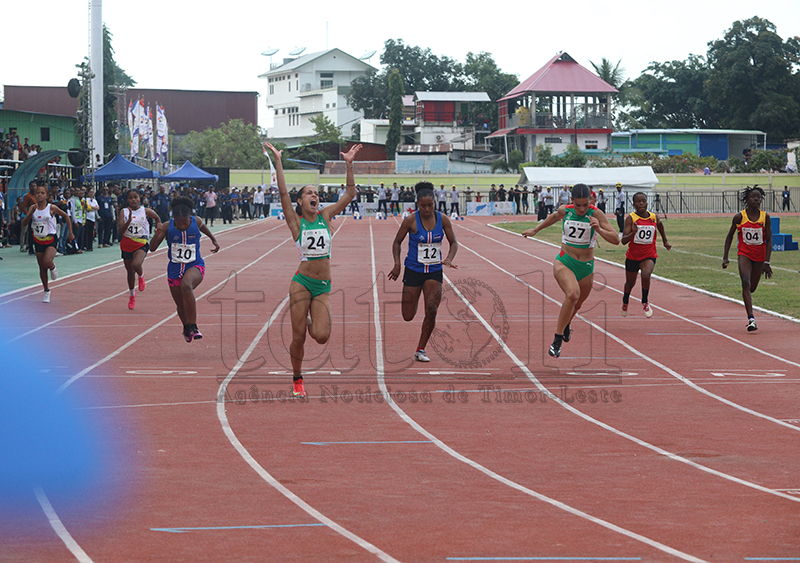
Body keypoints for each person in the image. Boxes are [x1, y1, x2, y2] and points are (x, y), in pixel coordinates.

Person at [264, 141, 362, 398]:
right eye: (309, 193)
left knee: (320, 335)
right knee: (299, 337)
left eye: (316, 192)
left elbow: (350, 195)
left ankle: (309, 318)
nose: (314, 195)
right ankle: (297, 379)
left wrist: (349, 165)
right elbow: (283, 194)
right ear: (301, 200)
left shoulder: (326, 216)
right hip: (301, 283)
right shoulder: (296, 223)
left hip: (322, 287)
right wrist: (278, 161)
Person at [522, 184, 620, 358]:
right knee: (572, 295)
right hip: (565, 261)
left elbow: (615, 240)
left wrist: (599, 229)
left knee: (578, 304)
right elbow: (553, 217)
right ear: (571, 201)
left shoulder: (596, 214)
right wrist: (535, 230)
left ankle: (566, 324)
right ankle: (557, 339)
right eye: (578, 205)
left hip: (586, 267)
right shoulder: (565, 211)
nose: (581, 209)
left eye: (585, 205)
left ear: (591, 201)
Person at [389, 182, 458, 362]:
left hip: (434, 271)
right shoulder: (411, 220)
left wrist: (449, 259)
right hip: (413, 270)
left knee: (432, 310)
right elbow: (397, 242)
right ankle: (416, 296)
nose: (427, 209)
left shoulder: (442, 219)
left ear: (435, 203)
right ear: (417, 205)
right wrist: (397, 264)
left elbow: (454, 242)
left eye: (430, 205)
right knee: (408, 316)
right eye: (423, 206)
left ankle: (421, 349)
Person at [150, 195, 220, 342]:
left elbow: (204, 228)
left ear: (190, 217)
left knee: (186, 285)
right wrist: (157, 232)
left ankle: (194, 326)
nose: (182, 225)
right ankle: (186, 327)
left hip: (195, 265)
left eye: (185, 222)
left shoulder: (197, 221)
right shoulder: (168, 226)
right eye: (179, 223)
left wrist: (213, 239)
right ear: (174, 219)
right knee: (181, 307)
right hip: (174, 270)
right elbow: (152, 248)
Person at [723, 185, 772, 332]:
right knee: (745, 281)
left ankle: (747, 300)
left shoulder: (765, 217)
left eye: (758, 197)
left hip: (759, 256)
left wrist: (767, 262)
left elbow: (769, 240)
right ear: (747, 200)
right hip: (744, 253)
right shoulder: (740, 217)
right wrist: (725, 257)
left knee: (752, 287)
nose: (756, 199)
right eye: (753, 197)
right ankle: (751, 319)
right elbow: (730, 235)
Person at [620, 192, 671, 318]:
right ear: (634, 204)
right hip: (633, 256)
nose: (641, 203)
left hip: (649, 254)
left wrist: (665, 241)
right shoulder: (631, 219)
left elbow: (660, 225)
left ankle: (645, 301)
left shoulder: (654, 217)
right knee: (630, 284)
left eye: (643, 201)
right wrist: (632, 233)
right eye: (638, 202)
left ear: (647, 202)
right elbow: (623, 241)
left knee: (646, 274)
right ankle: (625, 301)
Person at [21, 184, 74, 302]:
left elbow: (66, 216)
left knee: (47, 262)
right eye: (37, 193)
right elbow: (24, 223)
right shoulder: (32, 208)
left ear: (46, 196)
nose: (39, 195)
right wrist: (30, 213)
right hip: (38, 240)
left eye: (42, 193)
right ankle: (46, 291)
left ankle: (53, 266)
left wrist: (70, 232)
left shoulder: (51, 208)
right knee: (41, 267)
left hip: (50, 239)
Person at [119, 189, 162, 310]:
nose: (133, 200)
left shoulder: (145, 210)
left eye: (135, 197)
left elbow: (157, 218)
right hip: (127, 243)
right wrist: (128, 222)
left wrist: (158, 224)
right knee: (129, 272)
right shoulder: (124, 212)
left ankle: (141, 275)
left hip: (141, 242)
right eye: (130, 198)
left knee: (136, 264)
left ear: (140, 198)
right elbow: (120, 230)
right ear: (127, 200)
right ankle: (132, 295)